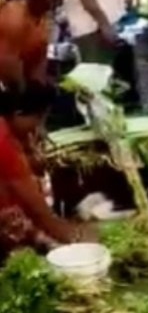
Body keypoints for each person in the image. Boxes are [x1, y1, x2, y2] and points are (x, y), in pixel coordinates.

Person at [0, 82, 95, 257]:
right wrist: (69, 236)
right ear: (17, 114)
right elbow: (32, 204)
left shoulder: (15, 137)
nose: (39, 125)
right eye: (38, 118)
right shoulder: (3, 139)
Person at [0, 0, 75, 92]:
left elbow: (38, 62)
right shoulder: (14, 20)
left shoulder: (40, 14)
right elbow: (11, 80)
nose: (57, 3)